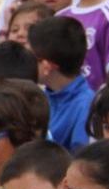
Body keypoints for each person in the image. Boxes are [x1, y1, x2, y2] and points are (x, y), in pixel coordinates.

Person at [30, 16, 94, 151]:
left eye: (31, 57)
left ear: (46, 66)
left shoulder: (86, 106)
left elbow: (80, 156)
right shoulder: (44, 96)